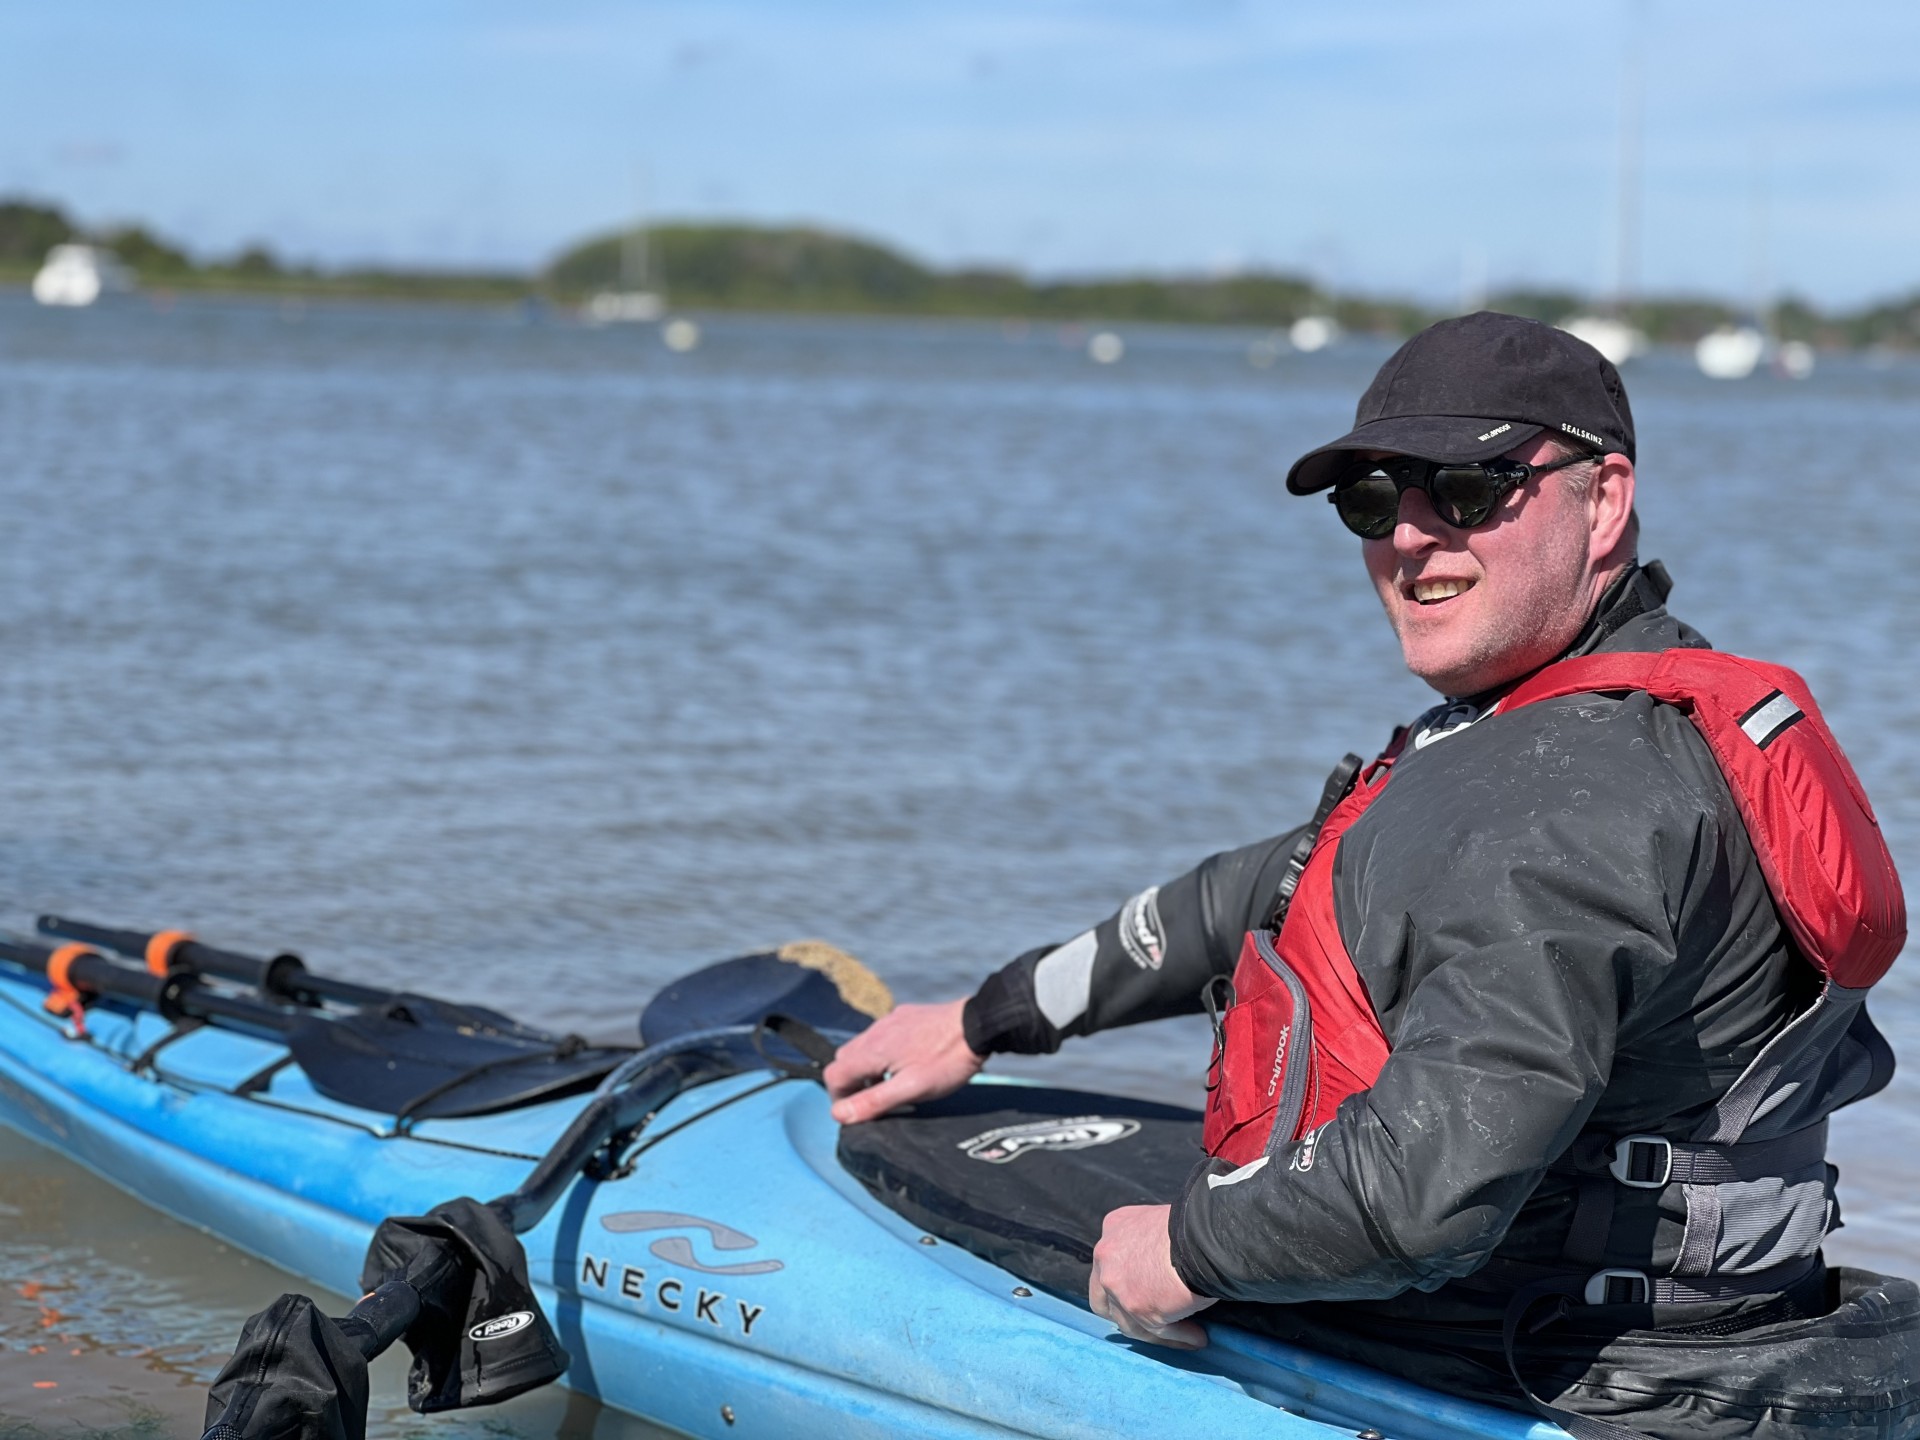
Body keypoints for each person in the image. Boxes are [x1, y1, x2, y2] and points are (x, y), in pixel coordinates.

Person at [823, 311, 1918, 1439]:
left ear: (1605, 499)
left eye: (1469, 487)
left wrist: (1188, 1250)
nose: (1411, 536)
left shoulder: (1561, 804)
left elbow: (1423, 1194)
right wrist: (985, 1017)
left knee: (950, 1183)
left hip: (1551, 1357)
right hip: (1700, 1315)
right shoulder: (1600, 718)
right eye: (1374, 500)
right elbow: (1271, 891)